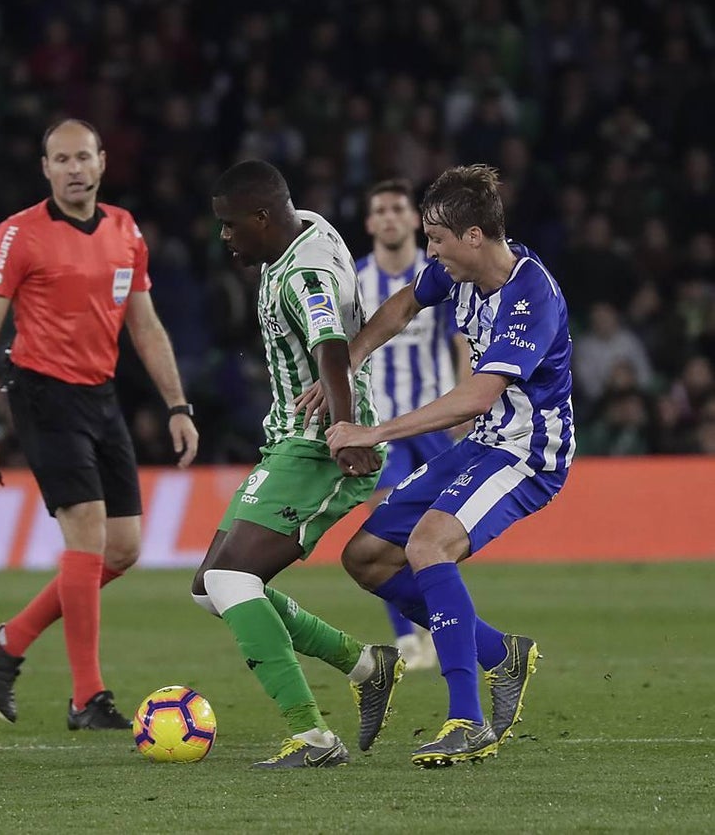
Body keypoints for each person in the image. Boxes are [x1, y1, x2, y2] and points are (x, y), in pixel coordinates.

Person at [327, 164, 574, 768]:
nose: (427, 250)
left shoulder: (529, 293)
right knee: (364, 557)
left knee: (428, 545)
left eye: (436, 239)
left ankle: (467, 719)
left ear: (472, 236)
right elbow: (404, 304)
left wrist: (375, 431)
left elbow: (478, 395)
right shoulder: (452, 272)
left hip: (527, 452)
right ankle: (500, 653)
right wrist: (352, 358)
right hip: (483, 444)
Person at [0, 119, 199, 729]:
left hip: (100, 394)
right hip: (41, 392)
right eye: (60, 159)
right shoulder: (18, 235)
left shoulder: (124, 230)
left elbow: (145, 326)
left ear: (101, 163)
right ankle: (86, 698)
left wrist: (177, 405)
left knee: (123, 549)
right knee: (88, 538)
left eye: (83, 157)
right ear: (45, 168)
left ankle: (8, 641)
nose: (73, 169)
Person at [191, 159, 403, 769]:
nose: (225, 237)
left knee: (232, 582)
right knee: (212, 588)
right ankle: (368, 666)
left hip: (317, 447)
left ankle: (312, 737)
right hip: (289, 437)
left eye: (231, 226)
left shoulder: (303, 272)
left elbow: (330, 344)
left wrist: (342, 430)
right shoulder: (308, 226)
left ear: (262, 217)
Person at [355, 178, 471, 671]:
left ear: (412, 219)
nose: (388, 217)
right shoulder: (357, 280)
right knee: (386, 526)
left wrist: (467, 406)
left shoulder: (440, 273)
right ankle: (406, 639)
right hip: (384, 426)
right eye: (379, 209)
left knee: (435, 534)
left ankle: (439, 625)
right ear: (370, 222)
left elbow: (461, 340)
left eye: (397, 208)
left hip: (437, 422)